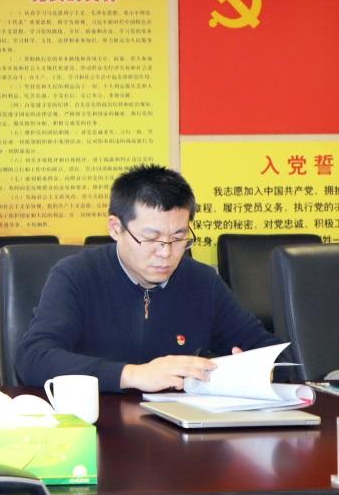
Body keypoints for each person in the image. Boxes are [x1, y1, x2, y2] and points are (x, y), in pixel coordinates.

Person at [15, 164, 281, 392]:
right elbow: (34, 358)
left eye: (178, 238)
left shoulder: (201, 282)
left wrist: (260, 368)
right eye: (151, 238)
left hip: (180, 427)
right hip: (97, 423)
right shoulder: (76, 275)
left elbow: (267, 348)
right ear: (116, 228)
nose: (166, 253)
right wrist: (131, 375)